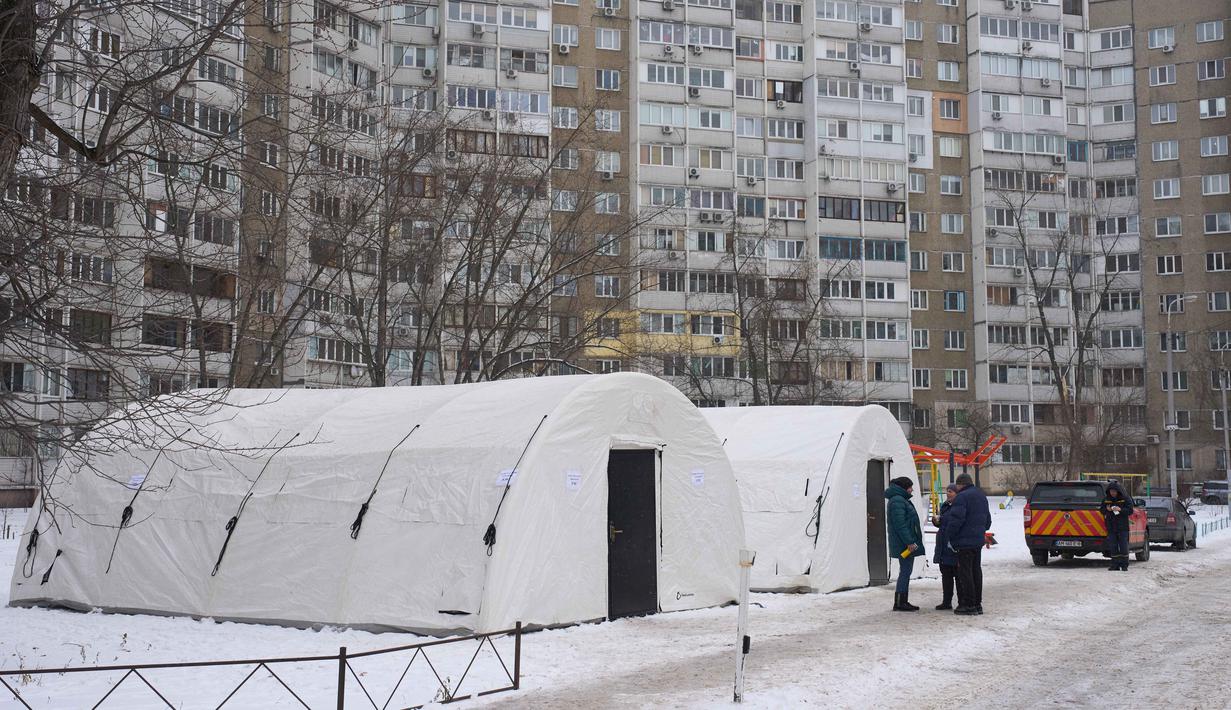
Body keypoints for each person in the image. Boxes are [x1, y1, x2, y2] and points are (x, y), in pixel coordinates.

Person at [947, 473, 991, 616]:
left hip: (964, 542)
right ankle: (977, 604)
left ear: (960, 485)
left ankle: (969, 604)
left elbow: (956, 519)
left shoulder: (962, 497)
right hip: (977, 541)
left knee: (965, 573)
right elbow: (988, 521)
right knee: (976, 571)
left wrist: (950, 535)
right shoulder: (981, 495)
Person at [885, 476, 925, 612]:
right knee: (905, 572)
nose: (912, 489)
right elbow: (900, 525)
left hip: (904, 543)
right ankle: (900, 602)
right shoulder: (898, 501)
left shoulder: (899, 500)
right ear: (904, 487)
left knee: (906, 571)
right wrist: (909, 542)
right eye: (910, 487)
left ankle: (901, 601)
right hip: (904, 544)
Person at [931, 484, 959, 610]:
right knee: (946, 576)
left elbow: (954, 524)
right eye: (947, 491)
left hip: (953, 545)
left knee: (958, 576)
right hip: (943, 545)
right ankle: (946, 601)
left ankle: (962, 600)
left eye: (951, 491)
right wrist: (937, 521)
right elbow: (943, 524)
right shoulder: (945, 506)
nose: (948, 493)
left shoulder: (959, 507)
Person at [1101, 481, 1134, 571]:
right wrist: (1107, 509)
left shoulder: (1125, 498)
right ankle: (1114, 565)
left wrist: (1120, 509)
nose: (1113, 493)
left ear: (1118, 491)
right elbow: (1102, 510)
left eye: (1114, 491)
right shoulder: (1106, 499)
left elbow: (1130, 510)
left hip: (1122, 527)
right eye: (1111, 491)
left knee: (1123, 546)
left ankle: (1124, 565)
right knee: (1113, 546)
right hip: (1111, 527)